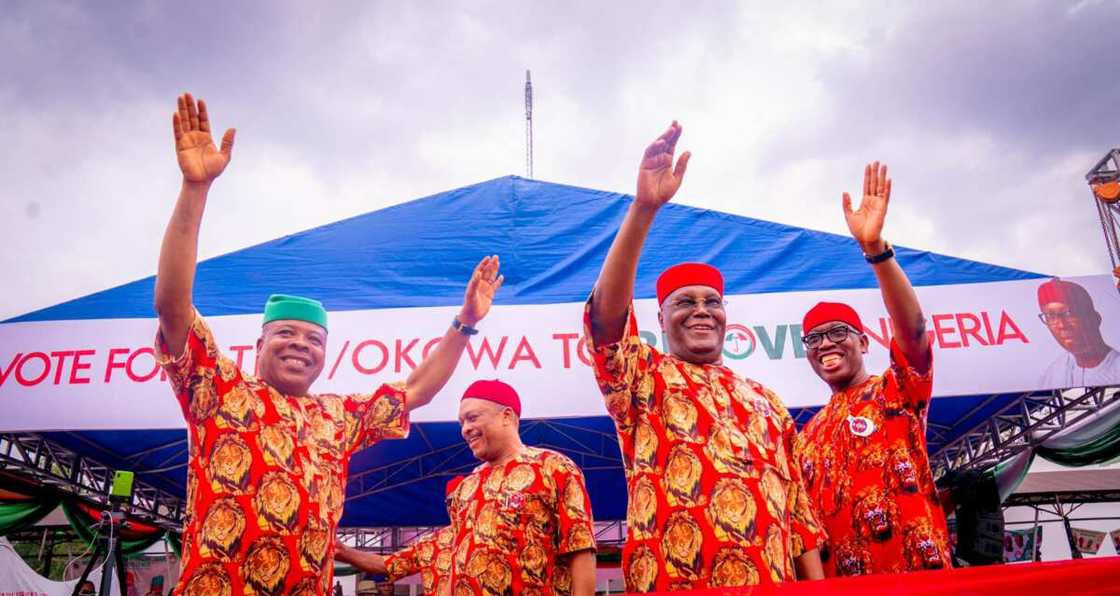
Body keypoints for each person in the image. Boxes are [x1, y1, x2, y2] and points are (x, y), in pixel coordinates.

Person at [154, 93, 504, 595]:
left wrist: (466, 322)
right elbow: (172, 305)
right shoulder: (221, 392)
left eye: (314, 339)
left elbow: (418, 389)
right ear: (260, 343)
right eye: (287, 333)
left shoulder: (336, 418)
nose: (301, 345)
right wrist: (195, 189)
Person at [584, 122, 824, 591]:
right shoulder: (644, 377)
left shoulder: (767, 403)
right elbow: (606, 322)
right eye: (685, 303)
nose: (701, 311)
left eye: (711, 302)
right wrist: (644, 209)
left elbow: (801, 521)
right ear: (661, 317)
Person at [792, 162, 950, 576]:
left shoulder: (896, 391)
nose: (825, 343)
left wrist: (876, 250)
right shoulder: (806, 438)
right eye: (814, 338)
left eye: (838, 333)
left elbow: (914, 331)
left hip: (917, 581)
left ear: (864, 342)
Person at [447, 380, 596, 594]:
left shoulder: (553, 468)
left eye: (472, 418)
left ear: (506, 416)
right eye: (461, 422)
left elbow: (581, 547)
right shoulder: (466, 487)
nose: (465, 429)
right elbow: (456, 562)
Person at [1037, 278, 1120, 388]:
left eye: (1069, 313)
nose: (1062, 325)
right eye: (1051, 316)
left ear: (1095, 318)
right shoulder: (1053, 374)